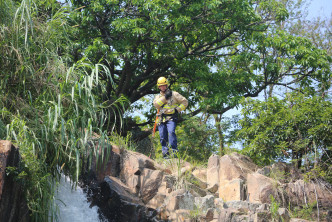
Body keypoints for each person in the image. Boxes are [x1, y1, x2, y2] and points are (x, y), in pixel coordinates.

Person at [153, 77, 188, 158]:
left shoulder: (174, 94)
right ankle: (165, 154)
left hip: (171, 118)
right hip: (161, 119)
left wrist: (177, 110)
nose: (163, 87)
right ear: (158, 87)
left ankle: (174, 152)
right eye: (161, 86)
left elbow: (185, 102)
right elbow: (156, 105)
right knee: (162, 137)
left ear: (167, 85)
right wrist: (165, 97)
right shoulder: (157, 97)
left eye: (164, 85)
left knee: (171, 132)